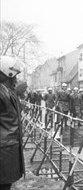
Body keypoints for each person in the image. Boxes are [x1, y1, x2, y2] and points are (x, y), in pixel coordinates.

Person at [0, 55, 25, 190]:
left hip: (7, 153)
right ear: (6, 74)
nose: (16, 79)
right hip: (3, 154)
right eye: (13, 76)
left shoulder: (7, 92)